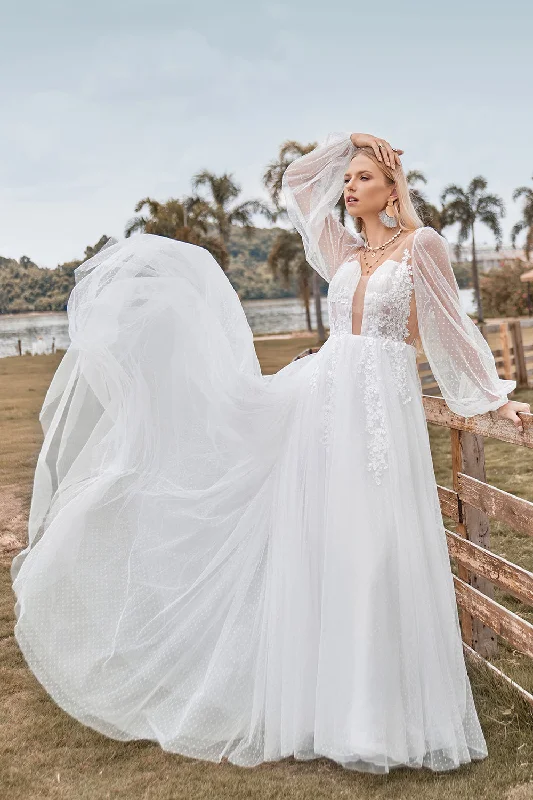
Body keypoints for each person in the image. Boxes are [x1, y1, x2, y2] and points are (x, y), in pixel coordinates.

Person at [11, 131, 530, 775]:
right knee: (331, 548)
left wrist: (495, 399)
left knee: (378, 551)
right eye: (349, 179)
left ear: (393, 189)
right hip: (326, 402)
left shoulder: (421, 246)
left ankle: (384, 717)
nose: (349, 188)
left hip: (382, 412)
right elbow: (297, 184)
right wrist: (347, 144)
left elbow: (452, 324)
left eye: (363, 178)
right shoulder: (347, 248)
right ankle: (330, 712)